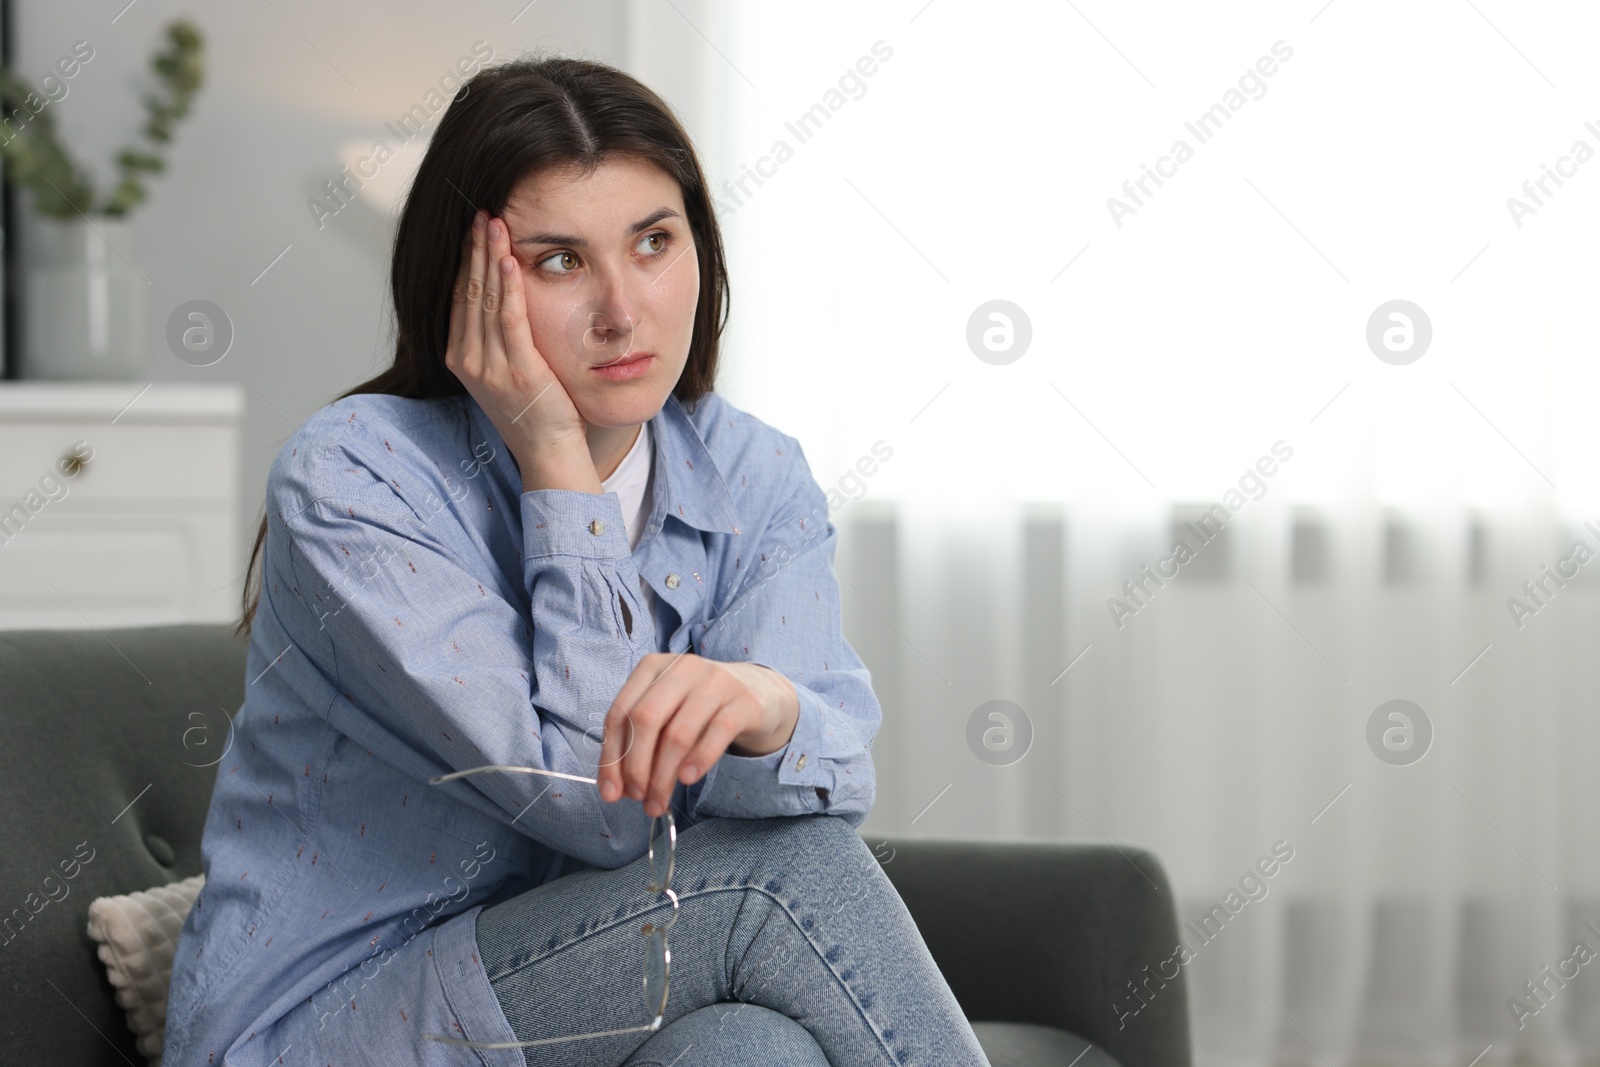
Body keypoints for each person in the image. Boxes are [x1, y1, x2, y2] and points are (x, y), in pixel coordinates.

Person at [162, 53, 993, 1067]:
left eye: (653, 242)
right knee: (788, 881)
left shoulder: (752, 469)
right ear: (464, 285)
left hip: (593, 1000)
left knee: (744, 1047)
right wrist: (557, 466)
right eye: (559, 260)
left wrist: (768, 705)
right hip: (339, 1025)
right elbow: (598, 812)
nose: (622, 310)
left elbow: (822, 773)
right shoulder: (355, 478)